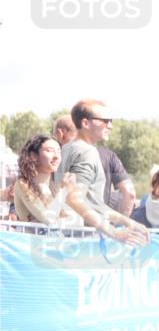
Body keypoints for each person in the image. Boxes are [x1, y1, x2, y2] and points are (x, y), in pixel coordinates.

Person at [57, 100, 148, 245]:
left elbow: (91, 202)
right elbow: (74, 199)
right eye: (105, 121)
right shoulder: (87, 151)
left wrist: (126, 222)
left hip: (65, 235)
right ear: (86, 123)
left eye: (110, 121)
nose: (110, 126)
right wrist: (114, 233)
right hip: (84, 240)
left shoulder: (66, 148)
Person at [12, 135, 82, 226]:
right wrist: (63, 190)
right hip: (31, 239)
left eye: (59, 151)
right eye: (49, 151)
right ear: (34, 156)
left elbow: (77, 220)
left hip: (53, 239)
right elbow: (49, 219)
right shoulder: (23, 185)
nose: (57, 156)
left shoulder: (53, 188)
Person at [98, 145, 135, 215]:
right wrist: (122, 221)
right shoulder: (108, 155)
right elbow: (130, 193)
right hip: (98, 220)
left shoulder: (72, 153)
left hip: (74, 218)